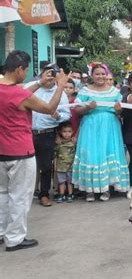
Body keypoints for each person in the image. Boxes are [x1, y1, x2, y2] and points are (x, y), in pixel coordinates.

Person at [0, 50, 68, 251]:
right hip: (20, 150)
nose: (26, 73)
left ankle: (2, 232)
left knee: (2, 193)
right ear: (20, 69)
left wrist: (39, 82)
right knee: (20, 196)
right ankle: (15, 238)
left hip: (1, 151)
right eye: (26, 69)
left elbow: (21, 87)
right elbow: (49, 108)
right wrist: (60, 86)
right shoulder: (21, 95)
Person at [72, 64, 129, 202]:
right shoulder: (85, 91)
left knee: (107, 154)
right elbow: (76, 110)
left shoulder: (114, 92)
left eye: (103, 74)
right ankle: (89, 190)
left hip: (110, 128)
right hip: (90, 127)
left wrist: (118, 109)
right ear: (92, 75)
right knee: (91, 155)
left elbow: (120, 112)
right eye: (97, 74)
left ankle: (107, 188)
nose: (100, 76)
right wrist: (87, 107)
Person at [24, 66, 71, 207]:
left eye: (53, 74)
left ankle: (44, 194)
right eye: (47, 73)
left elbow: (67, 114)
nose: (50, 76)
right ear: (41, 74)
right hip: (26, 132)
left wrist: (58, 116)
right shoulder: (30, 87)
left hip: (46, 133)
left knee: (45, 166)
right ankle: (24, 194)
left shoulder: (60, 93)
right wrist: (39, 83)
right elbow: (17, 99)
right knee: (25, 166)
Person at [54, 122, 76, 203]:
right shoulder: (58, 144)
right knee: (61, 181)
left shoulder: (73, 143)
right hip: (61, 166)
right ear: (60, 132)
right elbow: (55, 155)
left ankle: (70, 194)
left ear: (72, 132)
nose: (67, 134)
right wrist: (55, 166)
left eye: (69, 131)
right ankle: (61, 194)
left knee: (70, 182)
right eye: (64, 131)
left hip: (71, 166)